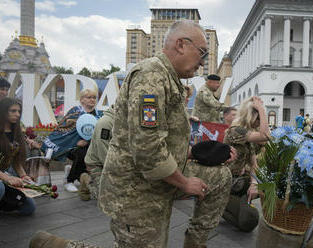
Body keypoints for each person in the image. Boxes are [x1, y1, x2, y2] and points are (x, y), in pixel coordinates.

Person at [29, 20, 211, 248]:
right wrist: (184, 183)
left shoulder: (167, 77)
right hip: (136, 194)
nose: (203, 62)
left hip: (150, 186)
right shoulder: (151, 76)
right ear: (181, 45)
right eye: (202, 52)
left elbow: (164, 134)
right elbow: (147, 147)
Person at [222, 96, 270, 232]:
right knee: (250, 219)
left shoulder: (248, 136)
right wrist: (261, 108)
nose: (260, 123)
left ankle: (237, 202)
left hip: (237, 183)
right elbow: (265, 135)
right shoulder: (235, 130)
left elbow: (254, 165)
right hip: (223, 184)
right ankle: (215, 206)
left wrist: (254, 184)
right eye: (259, 119)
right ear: (251, 116)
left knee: (264, 186)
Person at [0, 98, 36, 215]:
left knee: (29, 208)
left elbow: (15, 161)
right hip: (3, 178)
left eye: (19, 111)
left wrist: (24, 176)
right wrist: (7, 178)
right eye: (13, 111)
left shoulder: (16, 132)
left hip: (4, 176)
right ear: (3, 111)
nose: (17, 114)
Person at [63, 89, 102, 192]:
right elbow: (63, 131)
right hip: (73, 147)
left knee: (89, 151)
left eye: (94, 97)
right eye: (89, 97)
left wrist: (88, 142)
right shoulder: (74, 114)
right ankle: (69, 180)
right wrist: (75, 142)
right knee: (82, 153)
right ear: (81, 100)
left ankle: (76, 173)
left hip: (92, 146)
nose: (92, 100)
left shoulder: (99, 115)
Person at [79, 105, 115, 201]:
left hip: (113, 162)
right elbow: (103, 152)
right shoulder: (106, 123)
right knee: (108, 198)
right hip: (97, 164)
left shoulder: (123, 119)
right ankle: (87, 180)